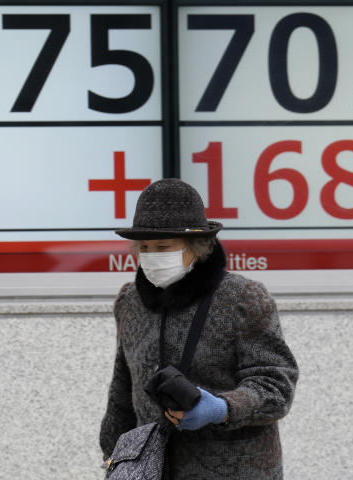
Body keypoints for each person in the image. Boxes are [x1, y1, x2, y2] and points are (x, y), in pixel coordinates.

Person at [98, 178, 298, 480]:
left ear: (197, 246)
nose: (150, 256)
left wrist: (222, 408)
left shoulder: (243, 298)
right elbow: (122, 390)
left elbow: (276, 386)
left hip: (235, 469)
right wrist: (113, 457)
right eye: (144, 247)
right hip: (153, 471)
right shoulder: (131, 302)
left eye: (163, 246)